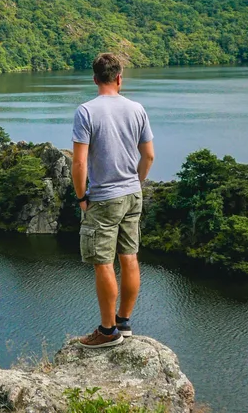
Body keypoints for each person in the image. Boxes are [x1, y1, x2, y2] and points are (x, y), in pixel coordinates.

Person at [71, 53, 155, 348]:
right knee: (129, 257)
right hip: (132, 194)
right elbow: (149, 156)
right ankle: (124, 322)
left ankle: (108, 333)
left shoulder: (86, 111)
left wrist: (82, 197)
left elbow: (79, 163)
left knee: (103, 262)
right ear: (120, 78)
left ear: (95, 79)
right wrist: (137, 182)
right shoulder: (137, 109)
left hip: (104, 197)